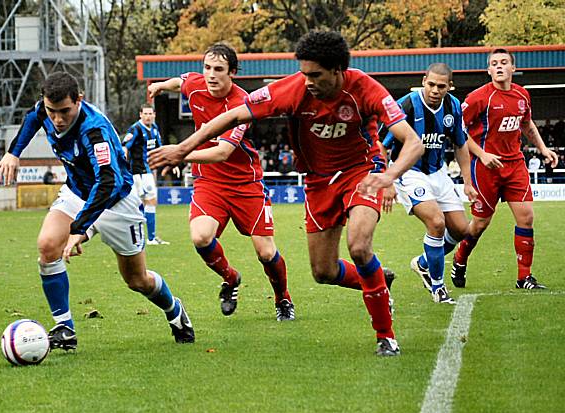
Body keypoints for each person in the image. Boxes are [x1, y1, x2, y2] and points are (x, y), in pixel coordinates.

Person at [150, 31, 424, 356]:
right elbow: (235, 114)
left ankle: (386, 336)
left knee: (359, 245)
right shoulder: (293, 88)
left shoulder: (364, 88)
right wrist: (183, 148)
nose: (307, 81)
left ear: (338, 70)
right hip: (317, 183)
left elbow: (412, 141)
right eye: (304, 73)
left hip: (359, 175)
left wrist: (388, 175)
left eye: (315, 75)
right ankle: (375, 281)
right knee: (323, 272)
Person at [0, 71, 194, 351]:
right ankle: (64, 328)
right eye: (53, 112)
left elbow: (108, 182)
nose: (58, 119)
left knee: (137, 280)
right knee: (47, 246)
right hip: (77, 192)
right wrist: (13, 152)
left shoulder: (94, 130)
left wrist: (79, 229)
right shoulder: (45, 109)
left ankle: (175, 310)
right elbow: (32, 117)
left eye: (65, 111)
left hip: (117, 202)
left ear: (79, 100)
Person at [147, 43, 295, 321]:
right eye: (207, 68)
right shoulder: (198, 84)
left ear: (232, 73)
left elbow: (222, 152)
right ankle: (231, 278)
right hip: (210, 183)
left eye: (218, 70)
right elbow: (182, 82)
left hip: (245, 184)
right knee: (201, 237)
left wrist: (181, 154)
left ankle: (283, 299)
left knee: (266, 252)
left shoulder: (242, 104)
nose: (211, 76)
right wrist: (160, 86)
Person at [451, 49, 559, 290]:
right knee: (479, 225)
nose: (499, 66)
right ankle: (460, 259)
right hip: (485, 168)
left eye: (504, 62)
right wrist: (482, 154)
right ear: (488, 70)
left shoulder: (522, 95)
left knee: (526, 217)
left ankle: (524, 277)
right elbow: (458, 131)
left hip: (515, 165)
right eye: (494, 63)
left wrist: (543, 148)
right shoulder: (479, 97)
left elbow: (527, 124)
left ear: (513, 67)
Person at [379, 62, 478, 304]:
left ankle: (424, 263)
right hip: (408, 172)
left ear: (449, 87)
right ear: (424, 81)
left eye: (441, 86)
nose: (435, 90)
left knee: (461, 230)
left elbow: (460, 144)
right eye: (431, 84)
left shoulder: (453, 106)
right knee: (436, 223)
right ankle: (438, 287)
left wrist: (467, 181)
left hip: (438, 172)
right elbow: (381, 145)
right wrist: (388, 180)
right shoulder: (406, 105)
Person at [122, 104, 169, 245]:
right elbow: (124, 146)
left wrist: (167, 163)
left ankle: (149, 237)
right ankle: (143, 237)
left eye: (150, 113)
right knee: (141, 203)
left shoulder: (154, 129)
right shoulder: (135, 129)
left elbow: (160, 149)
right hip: (137, 172)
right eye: (146, 114)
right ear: (140, 115)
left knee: (148, 202)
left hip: (147, 171)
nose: (148, 116)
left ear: (154, 115)